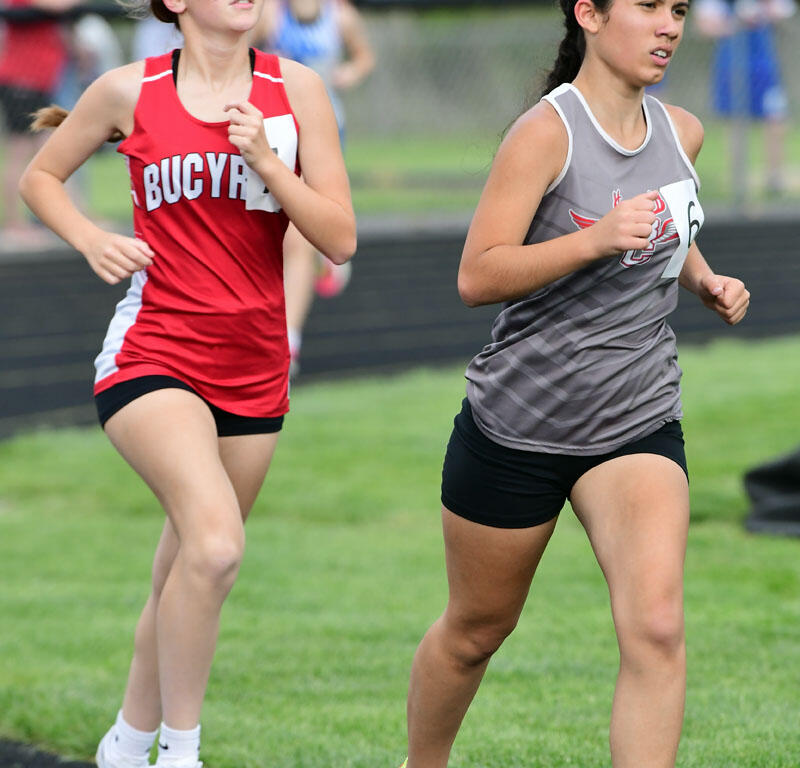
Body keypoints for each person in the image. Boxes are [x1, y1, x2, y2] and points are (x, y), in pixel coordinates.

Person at [400, 0, 750, 766]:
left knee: (657, 626)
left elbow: (666, 225)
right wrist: (592, 240)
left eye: (680, 10)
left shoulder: (682, 131)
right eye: (649, 7)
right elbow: (478, 274)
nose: (669, 27)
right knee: (475, 632)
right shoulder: (544, 135)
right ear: (589, 14)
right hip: (519, 424)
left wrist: (703, 279)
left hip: (636, 414)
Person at [18, 0, 355, 764]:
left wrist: (270, 164)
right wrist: (92, 239)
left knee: (184, 569)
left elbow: (338, 236)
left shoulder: (296, 88)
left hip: (255, 365)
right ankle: (180, 750)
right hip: (153, 352)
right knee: (214, 548)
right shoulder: (126, 90)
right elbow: (41, 179)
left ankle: (127, 743)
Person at [254, 0, 374, 374]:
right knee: (282, 227)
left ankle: (288, 340)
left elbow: (364, 57)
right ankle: (284, 333)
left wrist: (349, 74)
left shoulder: (341, 16)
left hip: (324, 125)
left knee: (302, 229)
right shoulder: (270, 13)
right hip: (278, 124)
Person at [0, 0, 79, 247]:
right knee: (20, 153)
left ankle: (76, 215)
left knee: (53, 151)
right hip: (23, 81)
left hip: (40, 82)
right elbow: (59, 6)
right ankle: (14, 224)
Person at [695, 0, 794, 195]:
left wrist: (763, 12)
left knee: (776, 118)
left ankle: (774, 178)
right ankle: (738, 181)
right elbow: (704, 26)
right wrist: (737, 23)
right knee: (734, 123)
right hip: (730, 66)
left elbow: (784, 13)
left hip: (765, 66)